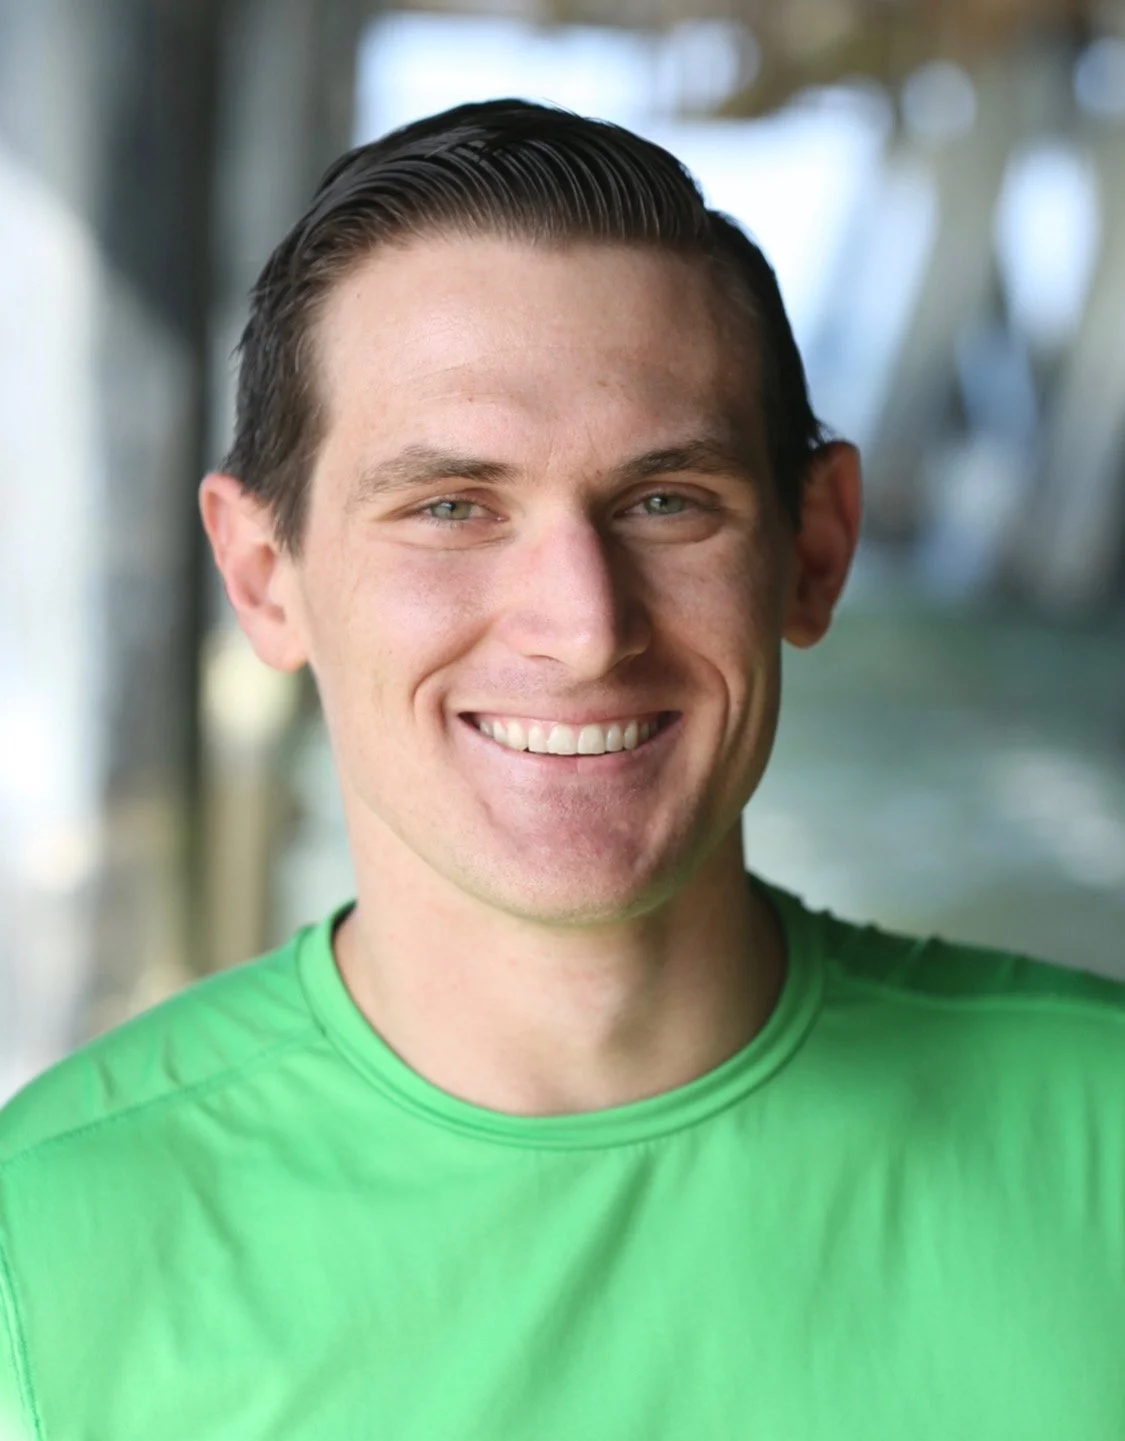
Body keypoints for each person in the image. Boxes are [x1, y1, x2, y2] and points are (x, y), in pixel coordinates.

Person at [1, 99, 1123, 1441]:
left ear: (816, 549)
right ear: (263, 575)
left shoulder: (1101, 1144)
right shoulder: (48, 1252)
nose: (585, 628)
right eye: (451, 509)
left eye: (667, 503)